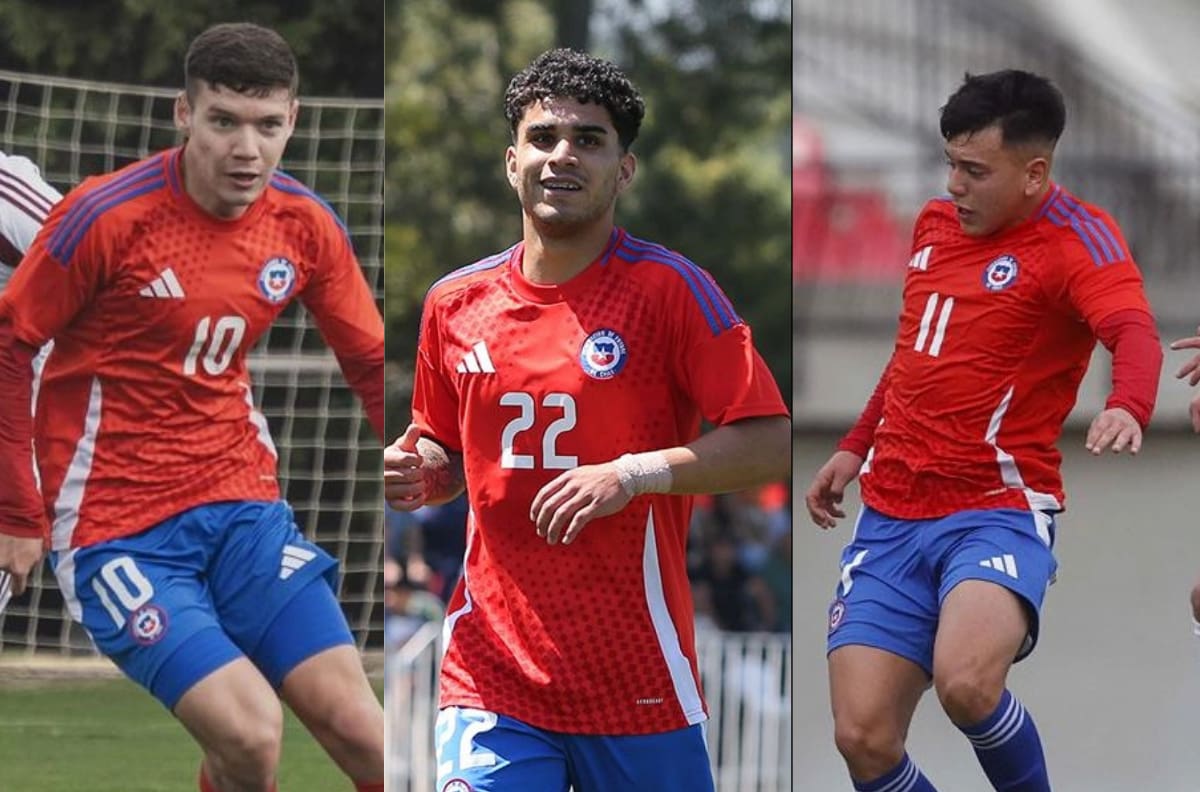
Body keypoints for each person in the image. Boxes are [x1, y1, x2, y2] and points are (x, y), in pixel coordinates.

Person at [384, 48, 790, 792]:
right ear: (512, 161)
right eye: (543, 138)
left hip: (636, 679)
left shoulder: (671, 292)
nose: (561, 156)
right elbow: (443, 458)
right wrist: (422, 471)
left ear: (624, 169)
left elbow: (770, 443)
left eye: (589, 140)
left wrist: (633, 474)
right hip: (492, 671)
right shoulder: (454, 304)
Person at [0, 23, 384, 792]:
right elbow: (13, 344)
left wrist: (434, 460)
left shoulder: (304, 225)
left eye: (268, 125)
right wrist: (17, 514)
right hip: (116, 528)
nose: (247, 148)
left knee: (370, 738)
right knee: (250, 735)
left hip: (242, 506)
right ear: (184, 115)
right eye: (224, 122)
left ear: (293, 122)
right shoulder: (106, 218)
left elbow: (371, 360)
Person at [805, 69, 1162, 792]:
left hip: (994, 510)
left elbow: (1133, 331)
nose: (955, 186)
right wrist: (853, 446)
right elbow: (914, 358)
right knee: (862, 737)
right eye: (950, 165)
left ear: (1034, 173)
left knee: (967, 683)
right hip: (892, 514)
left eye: (974, 170)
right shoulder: (935, 227)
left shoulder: (1079, 239)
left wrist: (1129, 402)